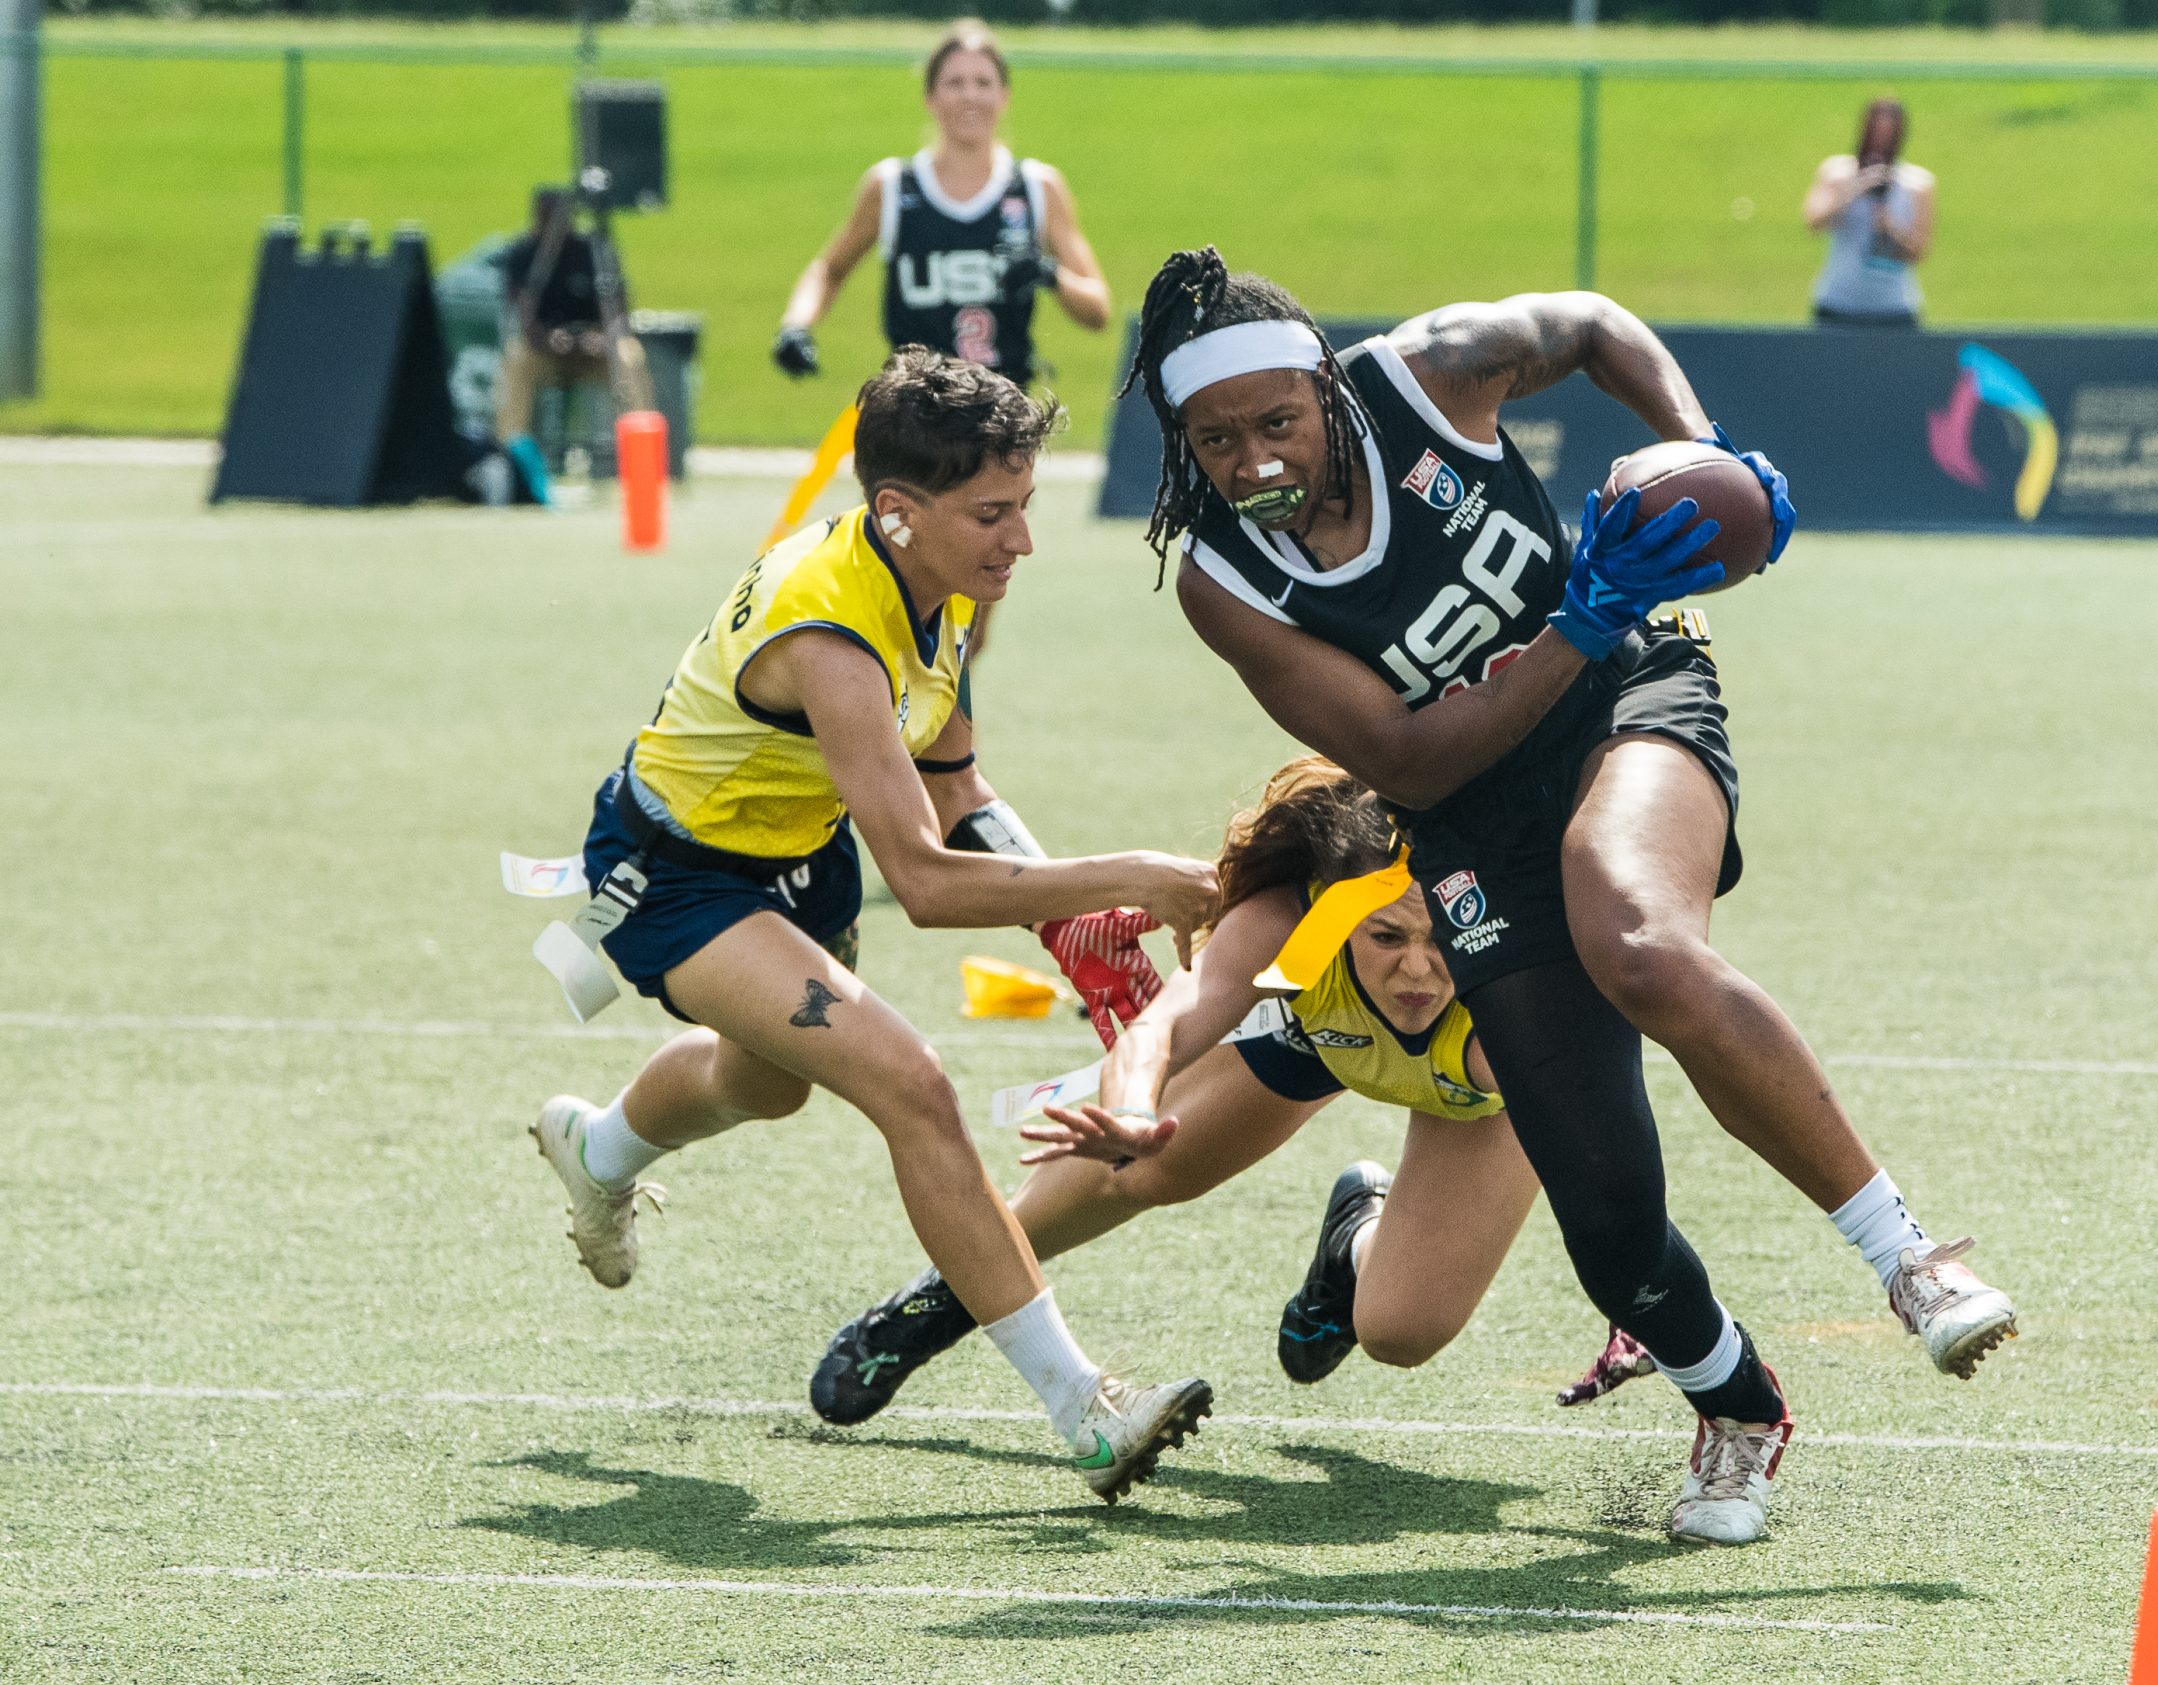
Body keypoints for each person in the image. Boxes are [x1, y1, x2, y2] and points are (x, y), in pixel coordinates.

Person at [1115, 248, 2018, 1545]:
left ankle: (1909, 1257)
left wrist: (1702, 457)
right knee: (1609, 1221)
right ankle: (1741, 1406)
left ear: (1325, 388)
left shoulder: (1426, 376)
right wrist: (1571, 617)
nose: (1254, 458)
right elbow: (1415, 757)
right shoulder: (1224, 577)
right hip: (1470, 806)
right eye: (1217, 438)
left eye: (1276, 422)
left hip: (1628, 697)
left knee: (1637, 939)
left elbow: (1593, 325)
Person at [523, 348, 1218, 1505]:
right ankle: (1085, 1410)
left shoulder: (934, 590)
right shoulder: (830, 639)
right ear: (899, 512)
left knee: (768, 1084)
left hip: (795, 860)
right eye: (992, 514)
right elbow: (931, 881)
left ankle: (594, 1148)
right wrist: (1131, 874)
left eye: (1024, 508)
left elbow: (958, 784)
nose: (1021, 541)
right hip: (674, 877)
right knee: (914, 1081)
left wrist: (1073, 915)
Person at [809, 756, 1547, 1426]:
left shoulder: (1519, 1007)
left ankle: (1353, 1241)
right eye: (1387, 937)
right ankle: (947, 1298)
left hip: (1473, 1088)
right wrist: (1132, 1112)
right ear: (1333, 908)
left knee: (1400, 1330)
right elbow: (1163, 1028)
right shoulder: (1297, 929)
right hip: (1324, 1031)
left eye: (1441, 939)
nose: (1418, 971)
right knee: (1143, 1166)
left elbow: (1601, 1154)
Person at [770, 19, 1110, 389]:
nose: (970, 96)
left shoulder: (1036, 187)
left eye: (983, 83)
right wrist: (795, 325)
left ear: (1004, 96)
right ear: (930, 97)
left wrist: (1048, 274)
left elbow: (1097, 311)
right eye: (954, 83)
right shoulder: (892, 187)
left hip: (1004, 413)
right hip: (914, 411)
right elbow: (829, 271)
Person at [496, 186, 653, 476]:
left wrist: (603, 338)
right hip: (546, 353)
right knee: (516, 360)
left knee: (629, 356)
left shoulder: (593, 251)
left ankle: (643, 454)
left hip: (595, 352)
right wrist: (549, 339)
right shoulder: (523, 254)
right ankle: (511, 458)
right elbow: (520, 315)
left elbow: (620, 310)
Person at [1803, 98, 1936, 328]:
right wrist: (1853, 192)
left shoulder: (1917, 184)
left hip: (1895, 308)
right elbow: (1813, 222)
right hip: (1838, 303)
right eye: (1875, 130)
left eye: (1888, 133)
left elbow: (1919, 253)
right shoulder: (1837, 173)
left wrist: (1890, 226)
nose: (1880, 141)